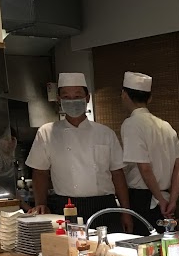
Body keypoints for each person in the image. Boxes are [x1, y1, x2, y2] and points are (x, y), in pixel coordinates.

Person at [26, 72, 133, 233]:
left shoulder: (105, 133)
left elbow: (118, 175)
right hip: (66, 207)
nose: (72, 101)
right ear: (59, 100)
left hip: (104, 206)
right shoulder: (47, 132)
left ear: (87, 97)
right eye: (66, 97)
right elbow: (39, 172)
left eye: (77, 95)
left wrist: (126, 212)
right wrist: (40, 203)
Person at [120, 71, 179, 236]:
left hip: (142, 199)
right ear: (149, 99)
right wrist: (172, 201)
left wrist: (162, 200)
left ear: (124, 95)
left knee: (143, 253)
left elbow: (144, 167)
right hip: (165, 199)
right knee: (167, 249)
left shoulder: (131, 124)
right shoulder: (166, 126)